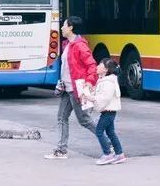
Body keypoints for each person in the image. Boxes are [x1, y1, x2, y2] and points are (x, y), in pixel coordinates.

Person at [44, 16, 97, 160]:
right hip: (66, 88)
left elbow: (92, 66)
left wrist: (89, 82)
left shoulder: (80, 45)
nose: (61, 28)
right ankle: (61, 150)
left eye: (64, 25)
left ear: (71, 27)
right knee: (61, 117)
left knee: (84, 120)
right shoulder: (67, 44)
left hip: (77, 89)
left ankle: (109, 142)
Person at [89, 58, 127, 165]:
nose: (97, 66)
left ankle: (107, 154)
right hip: (109, 111)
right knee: (110, 132)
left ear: (106, 69)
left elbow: (104, 98)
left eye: (100, 65)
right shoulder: (105, 80)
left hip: (108, 111)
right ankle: (119, 154)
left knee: (99, 131)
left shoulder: (108, 83)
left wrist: (91, 98)